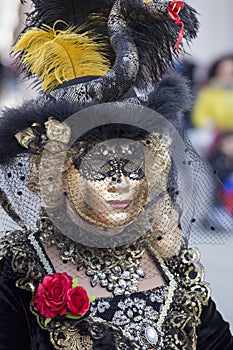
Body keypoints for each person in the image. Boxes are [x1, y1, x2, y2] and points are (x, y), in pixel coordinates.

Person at [0, 1, 232, 349]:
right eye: (100, 168)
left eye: (133, 167)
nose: (121, 183)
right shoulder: (22, 271)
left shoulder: (172, 263)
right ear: (59, 175)